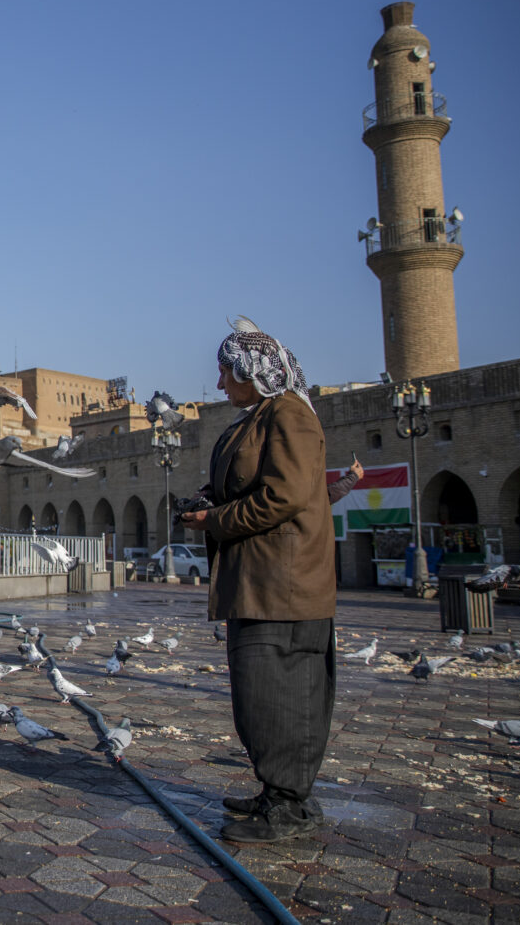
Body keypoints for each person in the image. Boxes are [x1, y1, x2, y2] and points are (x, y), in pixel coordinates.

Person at [180, 317, 335, 843]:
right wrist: (207, 500)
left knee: (281, 697)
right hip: (257, 583)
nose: (220, 383)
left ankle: (290, 805)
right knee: (260, 697)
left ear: (252, 370)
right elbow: (246, 481)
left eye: (225, 372)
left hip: (284, 587)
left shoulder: (290, 414)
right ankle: (278, 792)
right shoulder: (258, 417)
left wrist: (213, 522)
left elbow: (283, 496)